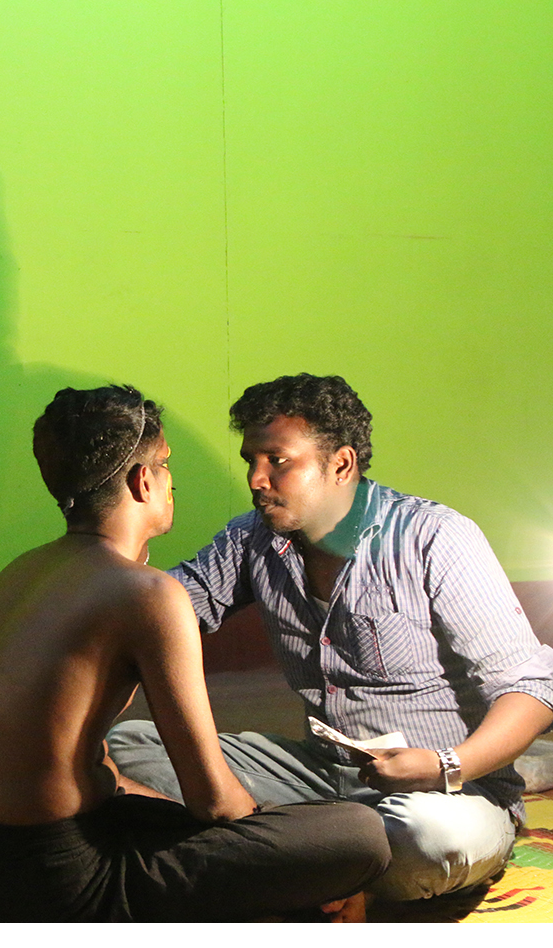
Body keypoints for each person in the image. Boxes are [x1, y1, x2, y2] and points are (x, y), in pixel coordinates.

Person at [0, 385, 390, 922]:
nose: (171, 482)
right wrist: (285, 853)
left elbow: (88, 760)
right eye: (167, 466)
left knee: (175, 801)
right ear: (142, 480)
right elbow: (215, 801)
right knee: (357, 836)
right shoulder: (147, 594)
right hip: (60, 888)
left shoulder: (22, 572)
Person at [108, 373, 553, 902]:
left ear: (340, 464)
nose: (255, 478)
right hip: (321, 775)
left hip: (440, 792)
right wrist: (111, 544)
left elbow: (532, 690)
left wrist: (445, 765)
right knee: (124, 748)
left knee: (430, 841)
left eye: (277, 461)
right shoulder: (252, 538)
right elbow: (158, 610)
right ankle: (319, 855)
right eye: (252, 459)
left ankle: (290, 851)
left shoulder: (436, 538)